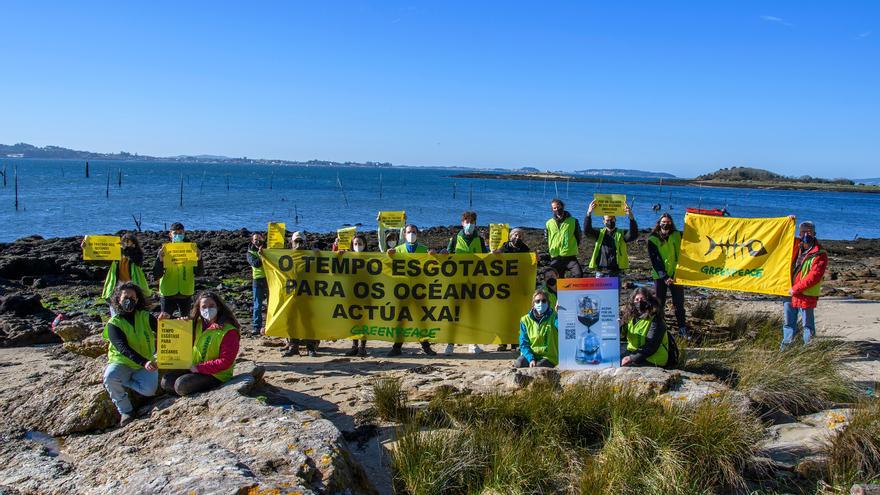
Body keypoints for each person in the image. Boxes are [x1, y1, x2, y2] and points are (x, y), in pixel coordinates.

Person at [160, 291, 240, 396]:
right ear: (199, 309)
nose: (208, 309)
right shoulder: (196, 325)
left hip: (216, 374)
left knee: (181, 385)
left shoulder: (229, 331)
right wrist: (171, 322)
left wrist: (199, 368)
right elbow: (176, 340)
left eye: (211, 306)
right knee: (166, 382)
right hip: (195, 368)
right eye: (204, 307)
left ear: (218, 307)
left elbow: (226, 361)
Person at [101, 282, 158, 426]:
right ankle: (126, 410)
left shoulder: (145, 316)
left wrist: (168, 321)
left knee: (149, 391)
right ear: (118, 299)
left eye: (133, 297)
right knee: (110, 377)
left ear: (138, 300)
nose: (130, 300)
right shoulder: (114, 323)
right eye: (126, 296)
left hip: (144, 364)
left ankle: (125, 381)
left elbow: (166, 330)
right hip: (123, 362)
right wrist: (144, 362)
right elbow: (122, 347)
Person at [386, 224, 438, 356]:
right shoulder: (397, 250)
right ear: (404, 234)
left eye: (414, 232)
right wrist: (388, 255)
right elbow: (385, 266)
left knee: (421, 319)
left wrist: (434, 256)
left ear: (418, 234)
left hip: (419, 290)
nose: (411, 234)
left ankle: (426, 346)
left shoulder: (424, 249)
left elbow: (435, 267)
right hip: (402, 291)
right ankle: (397, 347)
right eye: (409, 232)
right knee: (401, 319)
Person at [445, 211, 487, 354]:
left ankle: (472, 343)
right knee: (454, 313)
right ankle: (450, 344)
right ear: (462, 223)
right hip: (457, 283)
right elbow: (447, 256)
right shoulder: (455, 239)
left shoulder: (480, 240)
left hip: (474, 283)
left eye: (472, 221)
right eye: (466, 221)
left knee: (473, 314)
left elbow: (485, 259)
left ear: (475, 223)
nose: (469, 224)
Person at [782, 221, 828, 350]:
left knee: (807, 325)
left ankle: (809, 350)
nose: (806, 234)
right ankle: (786, 349)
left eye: (809, 231)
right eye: (803, 231)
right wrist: (788, 221)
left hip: (805, 294)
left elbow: (813, 277)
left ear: (814, 233)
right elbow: (781, 236)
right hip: (789, 291)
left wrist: (795, 289)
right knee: (788, 324)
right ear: (799, 233)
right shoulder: (795, 246)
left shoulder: (820, 253)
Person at [84, 233, 152, 316]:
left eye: (129, 243)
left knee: (134, 312)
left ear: (134, 244)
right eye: (125, 242)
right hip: (116, 287)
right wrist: (86, 249)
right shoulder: (115, 254)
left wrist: (125, 249)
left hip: (132, 288)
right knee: (116, 312)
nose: (127, 245)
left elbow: (137, 260)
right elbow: (100, 262)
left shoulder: (137, 255)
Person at [647, 214, 688, 339]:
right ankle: (659, 329)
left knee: (679, 303)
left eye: (669, 222)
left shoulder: (676, 235)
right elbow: (655, 260)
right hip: (660, 276)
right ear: (659, 223)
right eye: (664, 222)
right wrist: (664, 277)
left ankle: (682, 329)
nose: (666, 224)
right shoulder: (652, 239)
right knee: (659, 303)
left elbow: (683, 251)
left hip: (676, 275)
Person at [281, 231, 320, 357]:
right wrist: (264, 254)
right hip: (291, 295)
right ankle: (293, 346)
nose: (298, 244)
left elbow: (319, 270)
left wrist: (316, 256)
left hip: (307, 294)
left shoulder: (310, 256)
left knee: (307, 321)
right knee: (291, 321)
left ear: (305, 242)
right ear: (291, 242)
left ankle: (310, 347)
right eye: (296, 241)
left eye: (301, 241)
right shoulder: (285, 256)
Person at [153, 222, 204, 317]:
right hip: (167, 292)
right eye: (175, 233)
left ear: (184, 234)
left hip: (185, 292)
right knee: (165, 321)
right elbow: (156, 274)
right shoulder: (165, 250)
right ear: (170, 234)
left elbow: (199, 273)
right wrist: (159, 260)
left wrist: (199, 258)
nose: (178, 235)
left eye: (180, 233)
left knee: (185, 323)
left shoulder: (191, 250)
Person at [621, 287, 675, 367]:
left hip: (653, 359)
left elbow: (651, 346)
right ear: (632, 302)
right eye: (637, 300)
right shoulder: (631, 318)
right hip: (635, 353)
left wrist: (631, 358)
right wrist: (618, 325)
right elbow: (621, 336)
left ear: (649, 301)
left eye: (643, 299)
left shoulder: (656, 320)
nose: (640, 302)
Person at [585, 200, 639, 278]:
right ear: (603, 222)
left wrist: (631, 216)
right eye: (607, 220)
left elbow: (633, 234)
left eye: (612, 219)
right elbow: (587, 231)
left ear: (615, 220)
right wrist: (589, 213)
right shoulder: (599, 233)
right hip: (601, 271)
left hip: (616, 271)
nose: (610, 222)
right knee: (599, 290)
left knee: (616, 290)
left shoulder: (621, 234)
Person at [340, 233, 371, 357]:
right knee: (353, 320)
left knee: (363, 321)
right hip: (351, 294)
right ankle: (354, 345)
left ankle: (362, 347)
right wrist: (339, 254)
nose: (358, 246)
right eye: (356, 244)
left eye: (360, 244)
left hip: (366, 294)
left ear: (365, 245)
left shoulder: (370, 257)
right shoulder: (348, 257)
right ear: (352, 245)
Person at [514, 289, 558, 368]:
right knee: (519, 363)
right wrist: (531, 358)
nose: (540, 303)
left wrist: (560, 314)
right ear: (533, 304)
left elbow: (562, 327)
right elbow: (523, 343)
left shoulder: (554, 317)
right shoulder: (525, 320)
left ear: (548, 303)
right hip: (531, 354)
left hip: (548, 357)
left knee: (538, 367)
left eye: (544, 301)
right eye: (537, 301)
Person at [545, 198, 584, 278]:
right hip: (555, 257)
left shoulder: (573, 221)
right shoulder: (549, 223)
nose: (557, 209)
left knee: (579, 274)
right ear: (552, 209)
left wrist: (572, 246)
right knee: (557, 279)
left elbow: (578, 236)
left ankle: (573, 290)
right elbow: (547, 237)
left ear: (562, 206)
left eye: (558, 207)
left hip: (570, 256)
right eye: (554, 208)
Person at [246, 232, 268, 337]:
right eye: (255, 239)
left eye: (259, 238)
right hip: (258, 280)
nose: (258, 241)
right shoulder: (250, 253)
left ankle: (269, 325)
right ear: (252, 241)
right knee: (257, 305)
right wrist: (261, 254)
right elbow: (256, 264)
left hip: (269, 280)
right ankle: (256, 327)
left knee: (271, 304)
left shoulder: (268, 250)